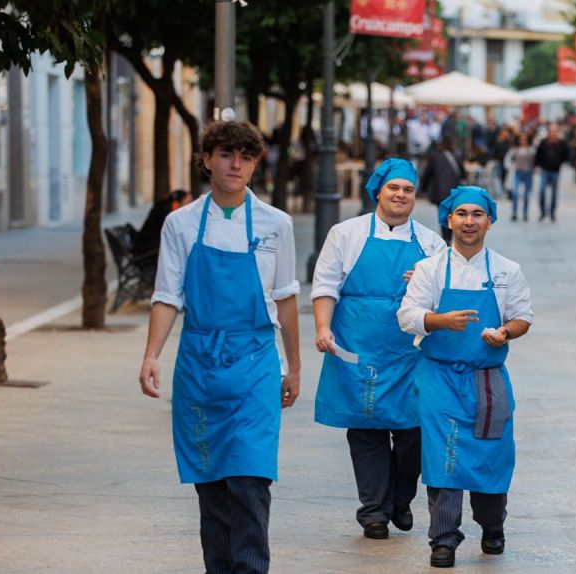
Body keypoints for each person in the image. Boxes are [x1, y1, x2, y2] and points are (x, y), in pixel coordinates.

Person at [138, 120, 302, 574]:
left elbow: (286, 296)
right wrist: (152, 355)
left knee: (250, 480)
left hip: (254, 363)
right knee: (211, 486)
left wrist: (295, 366)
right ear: (206, 159)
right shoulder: (181, 224)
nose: (236, 164)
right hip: (199, 366)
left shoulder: (276, 224)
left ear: (255, 165)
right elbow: (168, 295)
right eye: (226, 154)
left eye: (245, 156)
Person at [398, 186, 534, 568]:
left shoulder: (507, 271)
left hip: (487, 379)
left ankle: (493, 526)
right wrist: (440, 321)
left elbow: (524, 316)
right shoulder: (430, 269)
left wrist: (505, 332)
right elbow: (407, 315)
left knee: (492, 453)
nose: (469, 221)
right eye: (462, 214)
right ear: (449, 220)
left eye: (477, 214)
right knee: (444, 455)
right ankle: (443, 539)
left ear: (490, 220)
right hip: (439, 377)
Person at [312, 158, 447, 540]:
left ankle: (401, 497)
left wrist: (424, 283)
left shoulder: (431, 243)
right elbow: (325, 285)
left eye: (407, 189)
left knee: (412, 429)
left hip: (410, 351)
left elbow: (443, 298)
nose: (401, 195)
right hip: (358, 344)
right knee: (366, 428)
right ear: (378, 191)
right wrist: (323, 327)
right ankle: (374, 510)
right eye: (394, 188)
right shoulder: (346, 234)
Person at [420, 136, 466, 242]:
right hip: (455, 192)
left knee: (443, 215)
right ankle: (452, 236)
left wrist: (423, 188)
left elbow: (427, 173)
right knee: (454, 214)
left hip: (440, 191)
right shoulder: (457, 155)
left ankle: (446, 239)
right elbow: (463, 173)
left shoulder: (435, 156)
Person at [133, 189, 191, 261]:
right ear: (177, 202)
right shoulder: (166, 211)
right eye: (187, 202)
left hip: (148, 247)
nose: (189, 205)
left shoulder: (165, 207)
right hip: (149, 250)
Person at [533, 126, 571, 221]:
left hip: (555, 171)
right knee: (542, 191)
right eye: (551, 131)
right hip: (545, 170)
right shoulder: (543, 142)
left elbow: (567, 154)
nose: (553, 134)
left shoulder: (561, 143)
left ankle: (552, 213)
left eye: (555, 132)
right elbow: (538, 155)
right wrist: (537, 165)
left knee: (554, 193)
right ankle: (542, 212)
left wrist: (561, 162)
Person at [509, 133, 536, 221]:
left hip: (528, 173)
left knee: (526, 194)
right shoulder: (515, 150)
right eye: (521, 139)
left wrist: (533, 168)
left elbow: (535, 161)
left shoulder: (531, 150)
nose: (523, 141)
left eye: (524, 139)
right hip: (518, 172)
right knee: (515, 193)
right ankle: (514, 212)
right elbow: (508, 159)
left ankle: (525, 213)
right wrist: (511, 167)